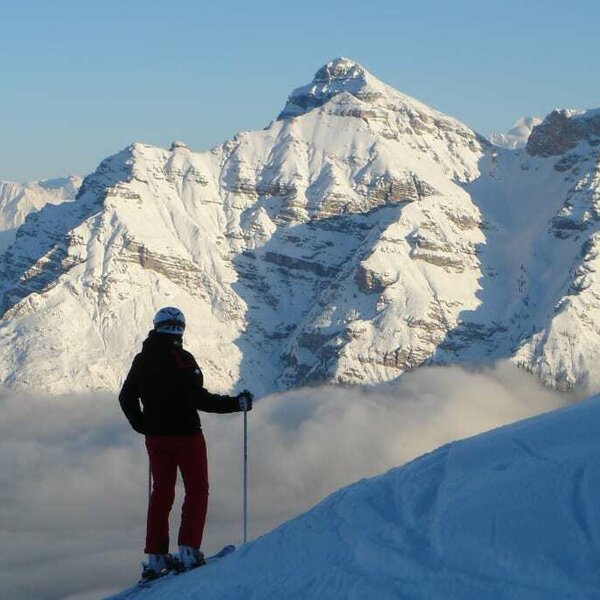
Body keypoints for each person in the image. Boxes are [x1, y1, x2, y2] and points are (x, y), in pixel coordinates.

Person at [119, 306, 253, 581]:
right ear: (181, 329)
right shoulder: (183, 360)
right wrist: (236, 404)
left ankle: (155, 557)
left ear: (156, 327)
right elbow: (200, 400)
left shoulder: (142, 360)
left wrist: (143, 425)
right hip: (187, 436)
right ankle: (188, 550)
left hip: (156, 439)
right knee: (196, 490)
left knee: (162, 493)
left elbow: (126, 398)